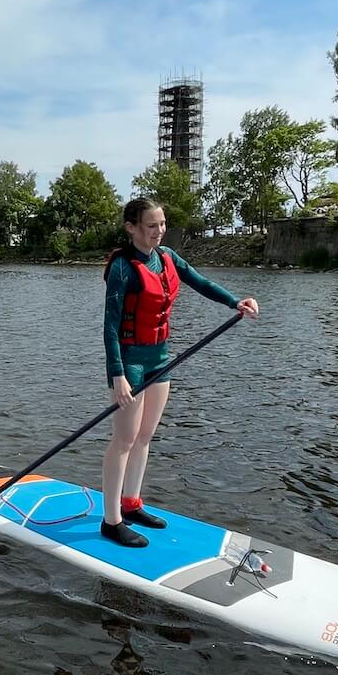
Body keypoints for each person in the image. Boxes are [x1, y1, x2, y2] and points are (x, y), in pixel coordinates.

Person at [99, 197, 259, 547]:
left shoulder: (167, 257)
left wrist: (236, 302)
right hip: (130, 362)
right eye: (152, 225)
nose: (160, 231)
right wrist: (117, 374)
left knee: (145, 436)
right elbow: (110, 326)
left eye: (162, 224)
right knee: (124, 440)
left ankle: (132, 503)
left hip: (160, 358)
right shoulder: (122, 268)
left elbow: (200, 282)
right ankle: (111, 521)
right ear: (132, 227)